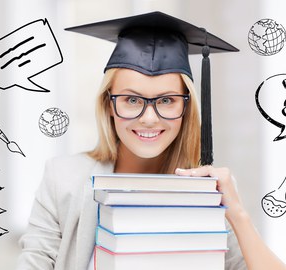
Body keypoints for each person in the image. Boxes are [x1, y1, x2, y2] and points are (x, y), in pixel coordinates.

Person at [16, 11, 286, 270]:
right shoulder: (62, 179)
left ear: (187, 108)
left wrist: (237, 214)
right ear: (108, 104)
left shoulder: (206, 191)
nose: (148, 118)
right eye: (132, 100)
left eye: (166, 100)